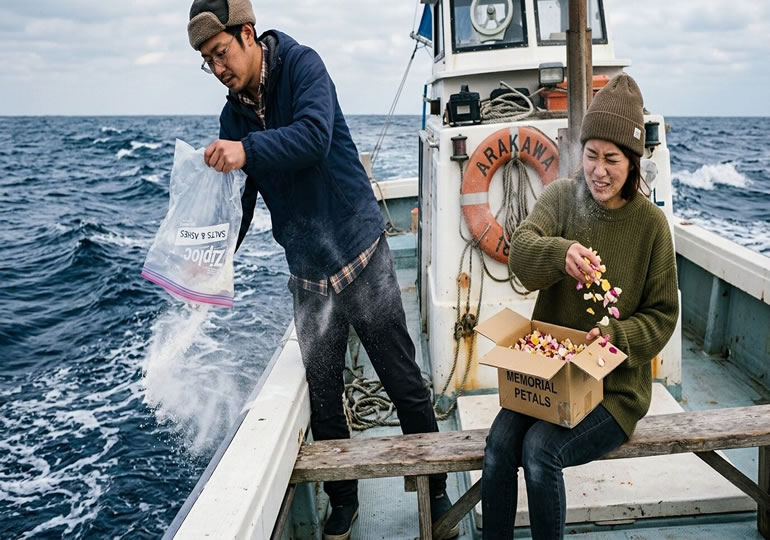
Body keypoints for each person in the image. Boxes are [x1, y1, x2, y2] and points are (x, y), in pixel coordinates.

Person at [186, 1, 458, 538]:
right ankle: (343, 501)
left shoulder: (305, 66)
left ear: (247, 35)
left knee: (402, 381)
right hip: (307, 273)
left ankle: (436, 491)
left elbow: (313, 137)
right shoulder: (232, 115)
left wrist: (245, 150)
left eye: (221, 53)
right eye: (207, 61)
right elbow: (238, 199)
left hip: (359, 254)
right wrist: (216, 257)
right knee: (324, 392)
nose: (218, 68)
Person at [480, 73, 679, 539]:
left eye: (612, 159)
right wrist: (559, 253)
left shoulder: (651, 227)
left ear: (633, 163)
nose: (599, 170)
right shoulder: (562, 198)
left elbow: (662, 315)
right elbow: (523, 254)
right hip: (549, 377)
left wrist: (615, 337)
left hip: (615, 392)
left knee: (540, 452)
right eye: (591, 155)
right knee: (497, 447)